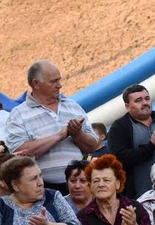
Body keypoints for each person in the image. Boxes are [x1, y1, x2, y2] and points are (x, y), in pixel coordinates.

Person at [6, 60, 101, 193]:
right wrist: (59, 136)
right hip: (43, 191)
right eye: (53, 81)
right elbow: (20, 153)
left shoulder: (72, 106)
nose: (59, 85)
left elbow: (93, 145)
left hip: (79, 187)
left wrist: (77, 134)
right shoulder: (18, 114)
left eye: (59, 80)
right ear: (36, 84)